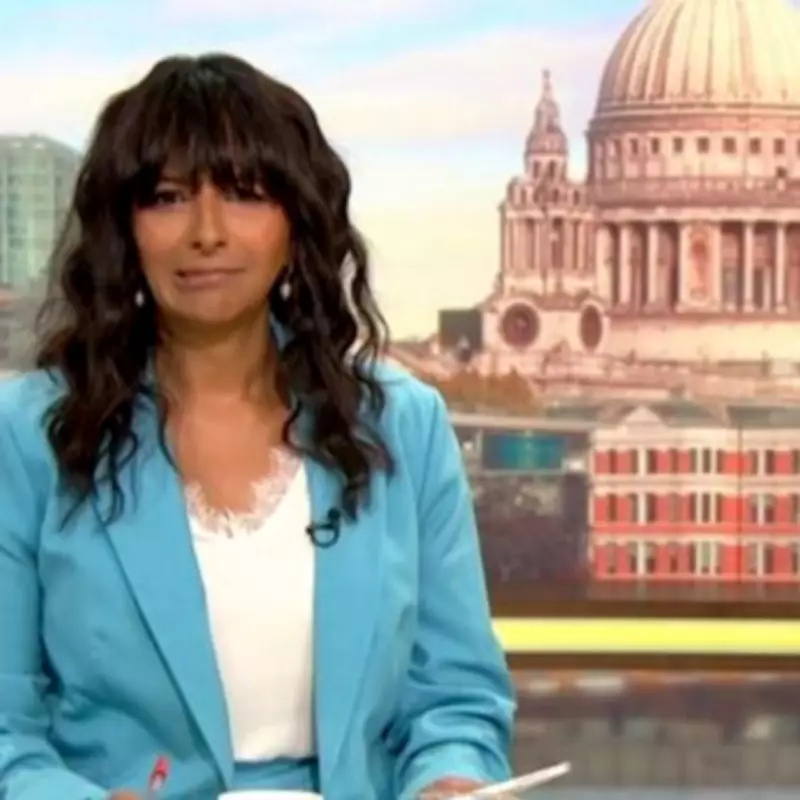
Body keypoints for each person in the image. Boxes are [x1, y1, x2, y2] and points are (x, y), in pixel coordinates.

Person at [0, 54, 515, 799]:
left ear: (296, 220)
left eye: (245, 194)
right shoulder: (29, 436)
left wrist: (449, 779)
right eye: (168, 197)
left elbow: (454, 700)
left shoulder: (403, 425)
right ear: (124, 227)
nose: (207, 232)